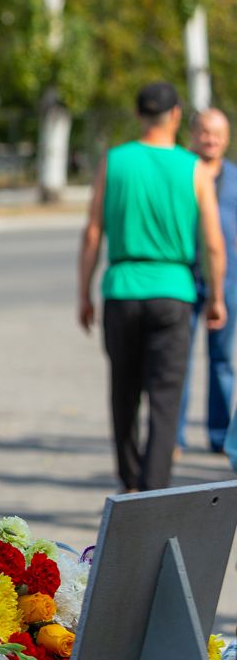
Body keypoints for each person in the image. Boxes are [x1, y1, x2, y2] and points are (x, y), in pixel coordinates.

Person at [78, 81, 226, 493]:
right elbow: (213, 242)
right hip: (174, 289)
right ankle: (155, 493)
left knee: (124, 395)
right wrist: (215, 298)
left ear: (139, 115)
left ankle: (129, 484)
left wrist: (83, 293)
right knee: (165, 400)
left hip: (122, 288)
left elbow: (93, 232)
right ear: (176, 115)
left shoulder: (115, 161)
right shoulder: (193, 167)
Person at [177, 109, 237, 454]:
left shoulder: (234, 178)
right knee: (178, 362)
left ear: (226, 138)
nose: (210, 139)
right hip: (185, 277)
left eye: (217, 133)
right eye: (204, 132)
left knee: (223, 361)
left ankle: (220, 436)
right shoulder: (181, 173)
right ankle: (175, 437)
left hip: (227, 281)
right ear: (192, 134)